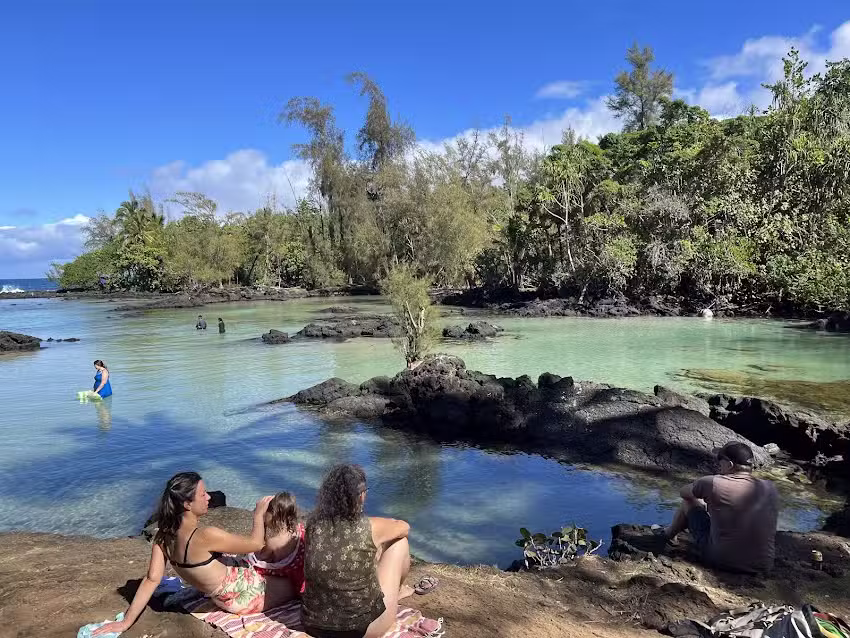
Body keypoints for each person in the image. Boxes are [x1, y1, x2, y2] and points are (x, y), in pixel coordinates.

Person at [93, 472, 295, 636]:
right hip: (245, 595)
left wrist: (126, 621)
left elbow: (151, 580)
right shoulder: (206, 536)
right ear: (187, 504)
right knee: (297, 583)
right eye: (203, 494)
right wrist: (258, 514)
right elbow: (255, 544)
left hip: (223, 597)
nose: (209, 497)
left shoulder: (163, 537)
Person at [302, 464, 426, 638]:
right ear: (360, 495)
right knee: (400, 543)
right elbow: (404, 527)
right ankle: (397, 592)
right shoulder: (368, 526)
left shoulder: (313, 525)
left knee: (366, 550)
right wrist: (384, 529)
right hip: (359, 630)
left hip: (312, 625)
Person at [660, 441, 779, 573]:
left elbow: (683, 492)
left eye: (720, 459)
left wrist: (705, 495)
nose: (718, 463)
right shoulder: (770, 487)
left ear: (730, 464)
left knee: (689, 502)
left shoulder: (713, 482)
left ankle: (667, 535)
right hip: (763, 565)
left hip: (722, 561)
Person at [245, 491, 306, 594]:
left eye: (266, 512)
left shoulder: (273, 542)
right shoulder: (300, 530)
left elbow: (261, 557)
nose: (264, 515)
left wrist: (259, 518)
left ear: (273, 516)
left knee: (249, 559)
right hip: (298, 574)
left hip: (283, 574)